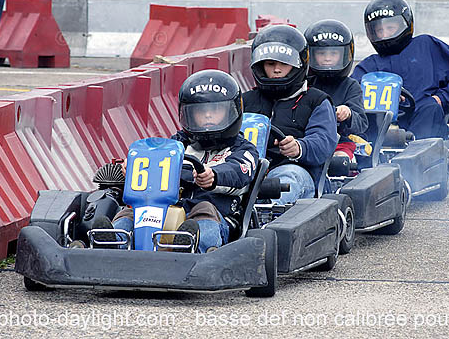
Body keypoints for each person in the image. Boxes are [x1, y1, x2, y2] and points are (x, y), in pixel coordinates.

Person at [105, 69, 259, 253]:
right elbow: (154, 162)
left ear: (232, 112)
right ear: (187, 114)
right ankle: (113, 241)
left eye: (215, 110)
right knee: (135, 211)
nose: (208, 116)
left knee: (204, 208)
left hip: (218, 216)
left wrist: (214, 176)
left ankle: (196, 246)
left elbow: (238, 172)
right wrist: (132, 167)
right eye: (201, 111)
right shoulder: (176, 145)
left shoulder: (244, 149)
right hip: (166, 210)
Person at [351, 0, 449, 139]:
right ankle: (367, 155)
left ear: (405, 25)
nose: (385, 34)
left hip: (424, 119)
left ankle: (415, 154)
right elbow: (350, 95)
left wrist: (440, 99)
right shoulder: (369, 66)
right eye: (379, 30)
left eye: (390, 28)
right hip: (380, 129)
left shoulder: (427, 46)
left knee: (429, 108)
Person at [242, 24, 338, 204]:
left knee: (288, 179)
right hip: (244, 170)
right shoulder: (245, 101)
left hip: (293, 169)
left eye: (283, 64)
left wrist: (299, 148)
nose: (276, 69)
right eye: (270, 64)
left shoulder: (316, 101)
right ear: (260, 66)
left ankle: (265, 216)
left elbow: (323, 141)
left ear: (297, 65)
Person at [304, 19, 369, 160]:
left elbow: (362, 123)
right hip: (307, 142)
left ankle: (339, 180)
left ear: (345, 54)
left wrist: (348, 113)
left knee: (339, 160)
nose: (327, 59)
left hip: (340, 142)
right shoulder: (304, 84)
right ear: (310, 55)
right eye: (321, 53)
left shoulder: (350, 86)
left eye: (333, 54)